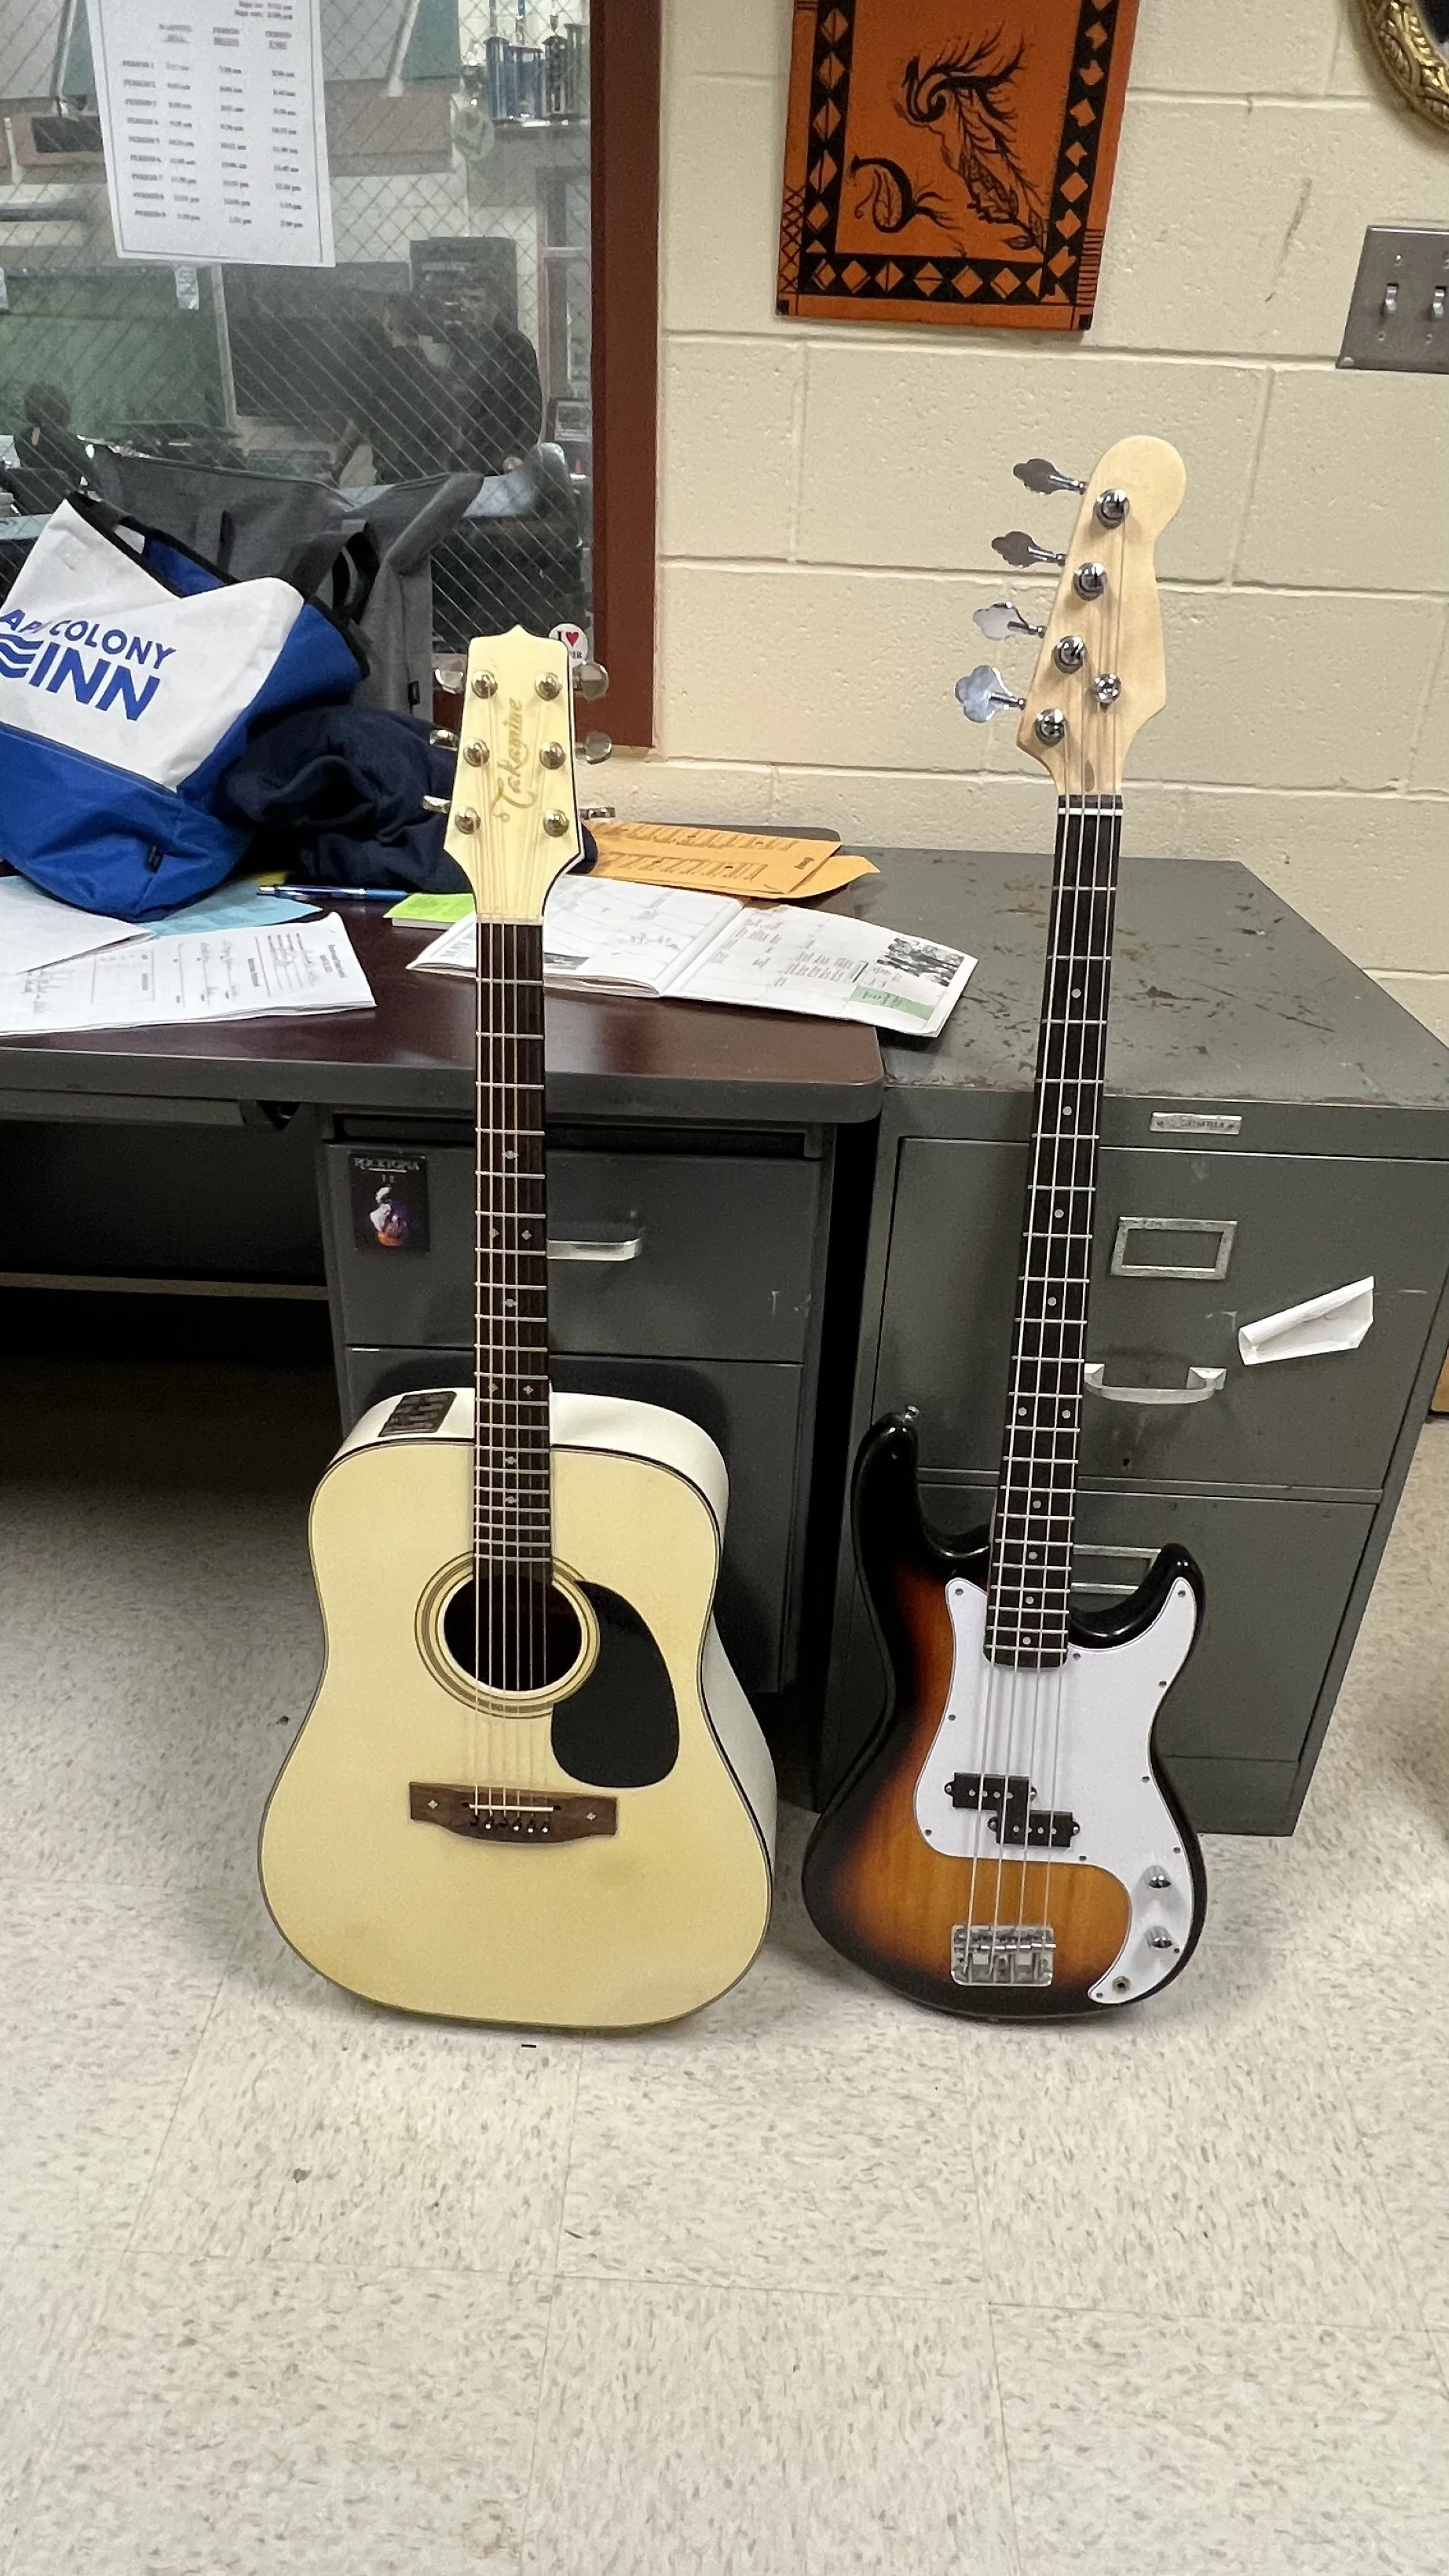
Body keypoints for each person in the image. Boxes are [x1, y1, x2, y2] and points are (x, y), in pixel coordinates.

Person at [331, 296, 464, 487]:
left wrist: (336, 469)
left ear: (390, 325)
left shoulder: (379, 374)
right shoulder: (438, 376)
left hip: (393, 477)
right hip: (433, 479)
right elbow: (456, 435)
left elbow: (355, 430)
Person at [447, 286, 542, 474]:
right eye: (463, 299)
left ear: (493, 304)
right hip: (462, 457)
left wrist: (518, 453)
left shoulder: (514, 345)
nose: (466, 306)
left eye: (475, 299)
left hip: (500, 459)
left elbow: (531, 406)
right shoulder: (460, 344)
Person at [1, 383, 91, 515]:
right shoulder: (71, 442)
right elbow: (94, 481)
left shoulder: (22, 439)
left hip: (28, 514)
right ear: (63, 409)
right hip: (67, 513)